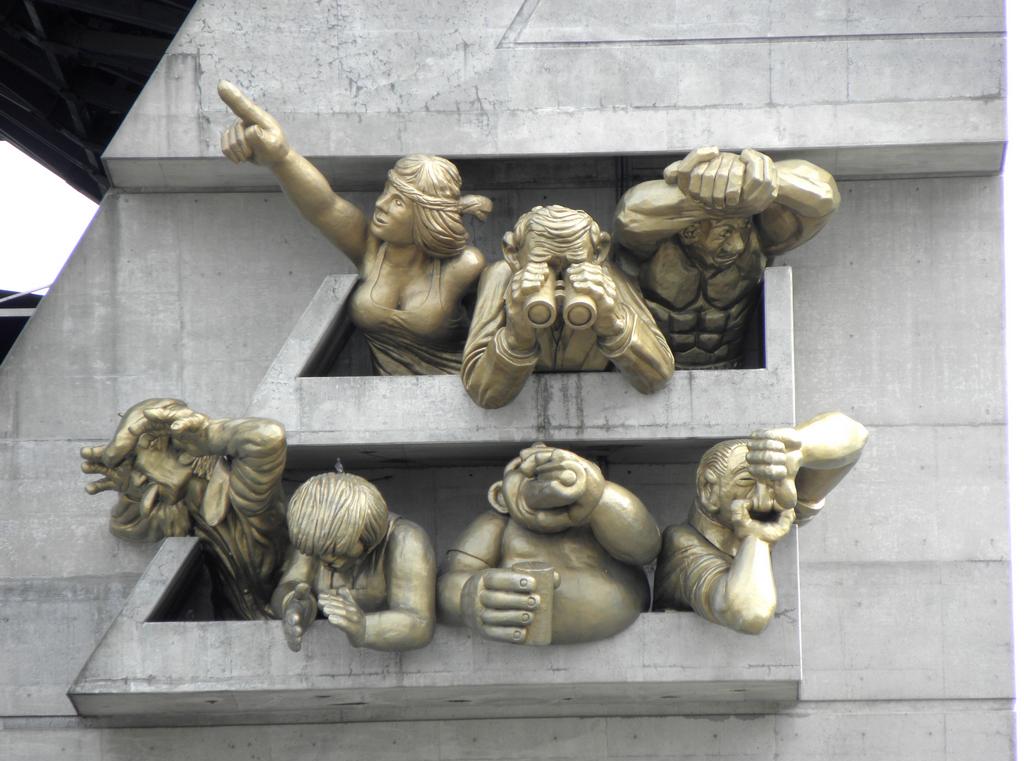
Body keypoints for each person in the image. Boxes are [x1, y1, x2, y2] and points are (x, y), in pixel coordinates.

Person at [219, 80, 491, 375]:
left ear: (426, 216)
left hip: (466, 404)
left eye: (398, 201)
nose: (381, 203)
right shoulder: (370, 252)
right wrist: (281, 157)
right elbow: (325, 206)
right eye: (386, 191)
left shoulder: (464, 266)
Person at [614, 147, 840, 369]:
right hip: (648, 373)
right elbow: (628, 217)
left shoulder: (757, 242)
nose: (737, 245)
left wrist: (757, 181)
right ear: (689, 232)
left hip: (730, 368)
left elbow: (825, 198)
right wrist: (704, 193)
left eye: (741, 230)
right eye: (724, 233)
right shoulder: (657, 249)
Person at [653, 412, 868, 633]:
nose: (762, 495)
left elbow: (856, 434)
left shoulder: (771, 498)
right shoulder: (683, 542)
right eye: (746, 481)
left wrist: (798, 450)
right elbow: (749, 613)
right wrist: (758, 535)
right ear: (709, 490)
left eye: (768, 481)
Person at [81, 399, 289, 620]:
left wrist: (209, 436)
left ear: (174, 448)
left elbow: (268, 437)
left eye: (136, 459)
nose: (139, 476)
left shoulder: (240, 491)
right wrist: (130, 493)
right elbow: (125, 526)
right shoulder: (174, 505)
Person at [438, 443, 661, 644]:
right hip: (518, 633)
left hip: (618, 615)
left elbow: (646, 548)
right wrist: (469, 597)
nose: (550, 484)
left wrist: (598, 495)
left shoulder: (596, 518)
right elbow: (450, 580)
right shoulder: (496, 524)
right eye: (533, 474)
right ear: (500, 497)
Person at [461, 204, 674, 408]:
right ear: (513, 254)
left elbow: (659, 375)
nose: (561, 278)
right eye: (544, 263)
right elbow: (482, 392)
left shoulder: (606, 278)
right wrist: (517, 335)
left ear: (599, 254)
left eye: (574, 264)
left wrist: (613, 324)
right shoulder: (501, 275)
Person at [271, 468, 435, 652]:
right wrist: (293, 604)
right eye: (320, 553)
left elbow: (420, 622)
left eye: (338, 550)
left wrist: (365, 628)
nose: (326, 560)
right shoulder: (315, 538)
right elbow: (291, 584)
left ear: (366, 532)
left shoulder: (407, 539)